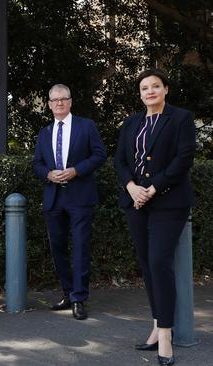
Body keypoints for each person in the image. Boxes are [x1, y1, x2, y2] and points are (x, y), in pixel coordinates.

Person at [114, 69, 195, 366]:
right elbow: (119, 159)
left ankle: (165, 334)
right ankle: (157, 321)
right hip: (135, 201)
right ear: (140, 94)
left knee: (160, 262)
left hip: (168, 202)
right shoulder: (132, 122)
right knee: (148, 265)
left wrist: (153, 187)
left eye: (155, 86)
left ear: (166, 90)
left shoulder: (181, 118)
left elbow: (184, 158)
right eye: (144, 87)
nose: (150, 91)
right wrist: (132, 187)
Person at [32, 84, 106, 320]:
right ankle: (67, 293)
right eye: (55, 100)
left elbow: (99, 155)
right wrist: (47, 174)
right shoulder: (44, 132)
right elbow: (37, 163)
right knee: (58, 248)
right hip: (54, 197)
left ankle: (79, 298)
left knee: (81, 247)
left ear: (71, 102)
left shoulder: (86, 126)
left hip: (80, 196)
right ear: (49, 104)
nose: (60, 103)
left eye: (64, 99)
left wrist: (76, 170)